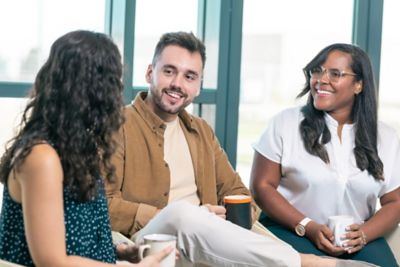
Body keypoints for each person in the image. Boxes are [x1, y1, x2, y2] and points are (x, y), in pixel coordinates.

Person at [106, 32, 375, 267]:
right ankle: (308, 264)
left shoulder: (200, 131)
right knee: (180, 213)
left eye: (189, 76)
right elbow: (102, 205)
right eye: (169, 71)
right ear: (150, 73)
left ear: (198, 86)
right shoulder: (116, 127)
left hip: (205, 244)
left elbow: (238, 194)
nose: (178, 83)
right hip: (148, 243)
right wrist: (175, 216)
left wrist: (226, 217)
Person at [0, 30, 172, 266]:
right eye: (113, 82)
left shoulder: (76, 148)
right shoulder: (41, 157)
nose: (117, 94)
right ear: (94, 91)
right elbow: (52, 261)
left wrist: (121, 250)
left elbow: (75, 236)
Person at [250, 43, 400, 266]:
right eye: (317, 71)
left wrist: (364, 233)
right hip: (292, 229)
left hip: (355, 238)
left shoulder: (386, 137)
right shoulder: (286, 123)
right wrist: (307, 226)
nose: (321, 79)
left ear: (358, 84)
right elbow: (261, 187)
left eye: (335, 74)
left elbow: (395, 201)